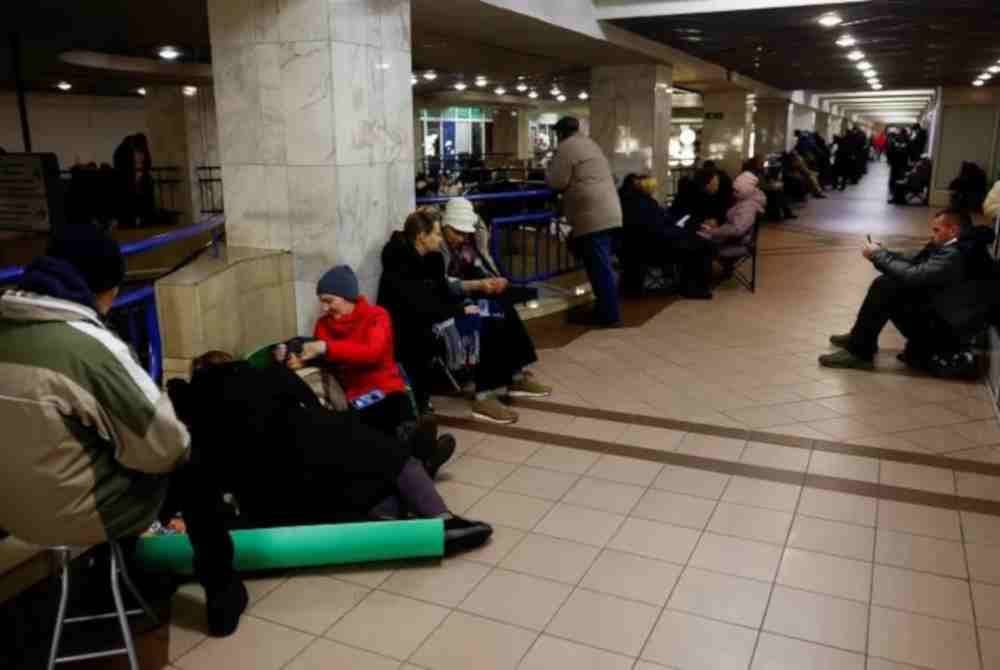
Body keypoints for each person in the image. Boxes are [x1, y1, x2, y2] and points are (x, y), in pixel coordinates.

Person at [0, 226, 247, 637]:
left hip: (11, 513)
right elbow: (165, 447)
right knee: (193, 471)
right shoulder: (91, 349)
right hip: (78, 513)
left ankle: (104, 574)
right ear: (102, 288)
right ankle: (223, 597)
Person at [166, 352, 493, 557]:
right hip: (335, 443)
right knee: (392, 458)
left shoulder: (204, 411)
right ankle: (442, 516)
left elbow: (209, 476)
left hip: (293, 497)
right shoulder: (269, 373)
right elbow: (311, 403)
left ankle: (407, 504)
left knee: (357, 497)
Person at [274, 265, 456, 477]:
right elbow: (326, 363)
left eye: (329, 300)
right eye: (321, 301)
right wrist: (297, 359)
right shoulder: (323, 325)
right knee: (372, 421)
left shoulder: (377, 316)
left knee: (392, 406)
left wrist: (326, 347)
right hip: (354, 397)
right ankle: (423, 456)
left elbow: (372, 353)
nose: (324, 308)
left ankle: (417, 450)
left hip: (386, 388)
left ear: (346, 296)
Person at [378, 209, 541, 424]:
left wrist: (467, 302)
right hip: (418, 329)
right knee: (486, 322)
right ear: (421, 237)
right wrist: (460, 310)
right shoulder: (400, 266)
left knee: (501, 310)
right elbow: (418, 307)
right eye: (436, 234)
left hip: (442, 314)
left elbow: (441, 292)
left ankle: (515, 377)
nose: (440, 239)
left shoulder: (431, 258)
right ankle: (484, 396)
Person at [819, 209, 983, 370]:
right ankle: (860, 339)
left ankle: (859, 351)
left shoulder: (956, 254)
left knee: (887, 286)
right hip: (945, 319)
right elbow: (916, 261)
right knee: (888, 283)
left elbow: (913, 275)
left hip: (947, 333)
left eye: (936, 230)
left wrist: (879, 256)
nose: (933, 235)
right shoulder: (960, 246)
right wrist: (882, 253)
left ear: (953, 230)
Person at [438, 197, 554, 393]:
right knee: (489, 317)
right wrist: (479, 285)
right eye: (457, 232)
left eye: (465, 232)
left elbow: (481, 266)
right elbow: (442, 285)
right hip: (453, 301)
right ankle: (487, 389)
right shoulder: (437, 248)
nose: (462, 237)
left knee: (505, 309)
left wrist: (494, 280)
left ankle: (516, 375)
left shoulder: (470, 243)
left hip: (473, 294)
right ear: (444, 225)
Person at [545, 116, 623, 327]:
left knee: (599, 267)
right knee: (599, 263)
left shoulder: (566, 148)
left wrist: (547, 170)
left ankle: (610, 315)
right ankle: (605, 309)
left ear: (560, 133)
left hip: (592, 215)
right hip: (608, 211)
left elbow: (556, 181)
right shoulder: (589, 144)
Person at [622, 174, 714, 299]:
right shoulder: (643, 204)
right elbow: (657, 229)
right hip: (653, 248)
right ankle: (692, 287)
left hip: (651, 244)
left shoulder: (637, 202)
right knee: (698, 245)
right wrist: (680, 231)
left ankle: (695, 286)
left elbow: (659, 225)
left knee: (698, 243)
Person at [698, 171, 767, 262]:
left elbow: (737, 230)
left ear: (745, 190)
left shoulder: (748, 207)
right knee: (701, 239)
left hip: (738, 244)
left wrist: (713, 232)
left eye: (736, 191)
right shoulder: (745, 200)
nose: (733, 193)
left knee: (701, 246)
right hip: (733, 239)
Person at [743, 157, 795, 221]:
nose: (762, 164)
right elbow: (761, 184)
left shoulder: (761, 170)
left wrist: (773, 184)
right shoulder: (754, 172)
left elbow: (767, 180)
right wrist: (772, 186)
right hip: (757, 190)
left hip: (762, 188)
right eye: (760, 163)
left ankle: (783, 213)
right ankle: (779, 215)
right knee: (776, 193)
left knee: (778, 192)